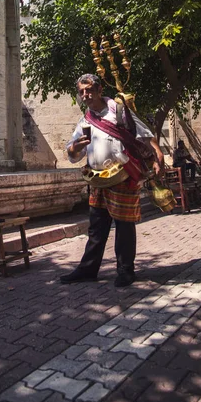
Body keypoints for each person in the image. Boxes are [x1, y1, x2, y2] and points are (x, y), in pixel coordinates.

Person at [61, 73, 164, 288]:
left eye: (89, 90)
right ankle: (88, 269)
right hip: (98, 181)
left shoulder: (119, 111)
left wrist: (157, 154)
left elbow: (143, 133)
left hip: (122, 177)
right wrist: (76, 147)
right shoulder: (85, 120)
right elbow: (71, 152)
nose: (85, 95)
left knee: (124, 227)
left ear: (99, 90)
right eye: (81, 92)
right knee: (96, 229)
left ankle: (126, 270)